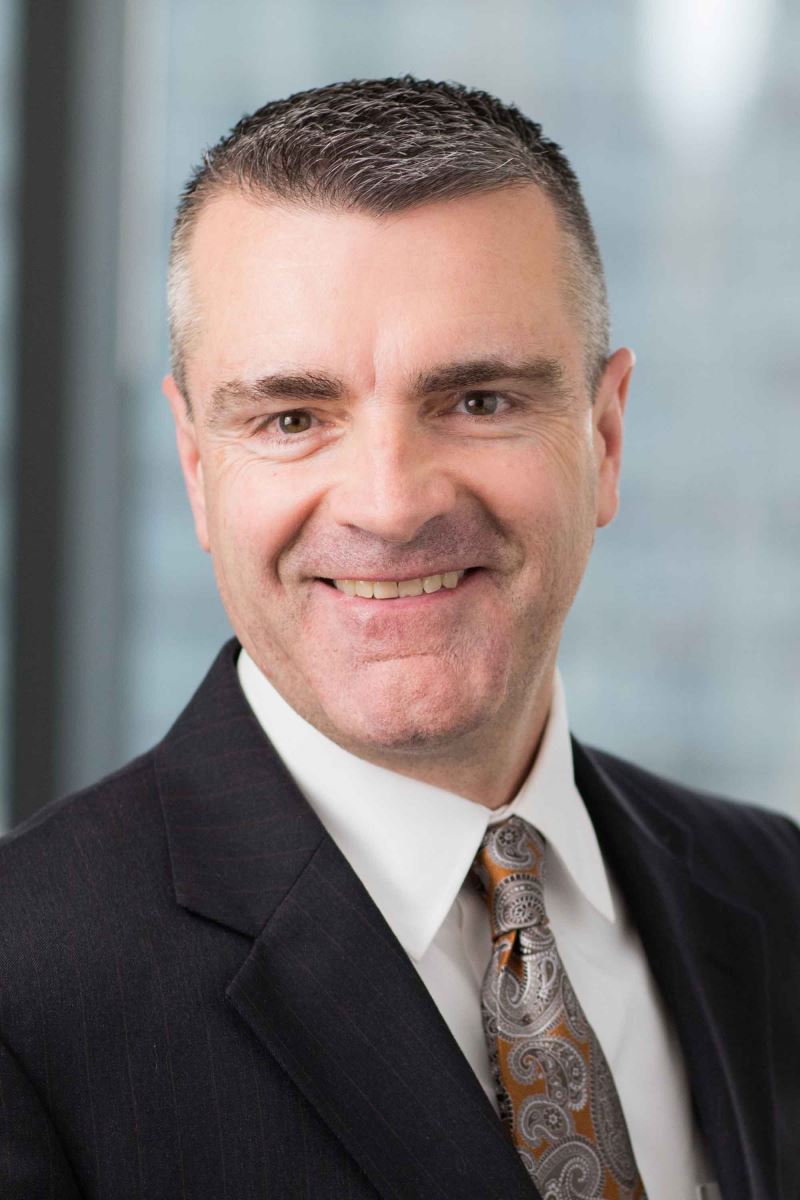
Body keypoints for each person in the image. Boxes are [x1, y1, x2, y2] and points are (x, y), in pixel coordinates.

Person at [0, 77, 796, 1200]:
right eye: (292, 418)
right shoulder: (25, 988)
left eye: (478, 402)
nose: (387, 505)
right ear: (196, 465)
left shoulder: (773, 894)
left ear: (606, 437)